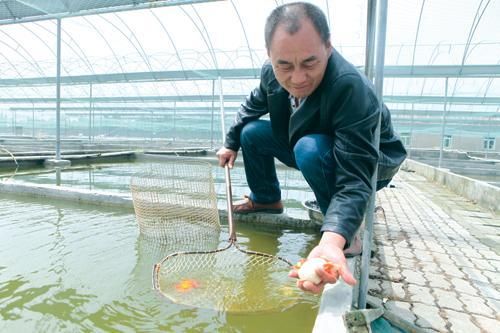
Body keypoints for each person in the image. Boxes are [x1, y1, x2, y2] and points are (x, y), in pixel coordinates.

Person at [216, 2, 406, 293]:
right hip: (310, 144)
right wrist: (230, 143)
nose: (298, 78)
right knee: (252, 132)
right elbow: (251, 106)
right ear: (270, 57)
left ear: (328, 47)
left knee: (309, 148)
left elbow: (355, 177)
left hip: (368, 164)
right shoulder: (270, 72)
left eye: (309, 63)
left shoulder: (351, 88)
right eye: (285, 65)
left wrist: (332, 239)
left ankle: (349, 233)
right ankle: (266, 199)